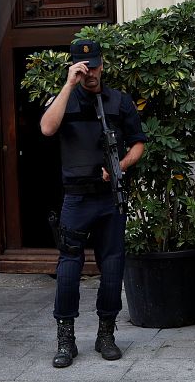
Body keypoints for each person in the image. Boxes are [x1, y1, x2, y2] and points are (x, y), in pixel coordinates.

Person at [40, 39, 147, 368]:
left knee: (113, 268)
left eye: (96, 66)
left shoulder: (119, 101)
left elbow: (139, 143)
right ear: (75, 68)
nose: (92, 73)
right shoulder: (64, 99)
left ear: (104, 65)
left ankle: (106, 334)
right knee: (69, 269)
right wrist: (67, 85)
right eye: (85, 68)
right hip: (76, 199)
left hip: (108, 199)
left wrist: (120, 167)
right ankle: (66, 338)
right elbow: (47, 128)